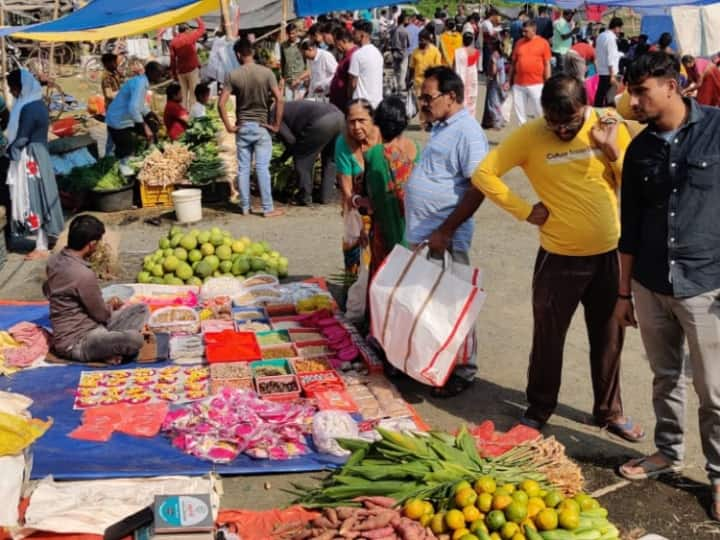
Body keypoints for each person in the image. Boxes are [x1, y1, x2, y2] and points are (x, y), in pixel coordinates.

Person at [471, 73, 643, 440]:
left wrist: (612, 151)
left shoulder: (607, 123)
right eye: (554, 121)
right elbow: (484, 174)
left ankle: (609, 411)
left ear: (585, 106)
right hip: (558, 258)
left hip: (609, 255)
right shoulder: (531, 135)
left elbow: (634, 181)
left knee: (610, 335)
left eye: (571, 121)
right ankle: (538, 409)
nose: (563, 129)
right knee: (548, 338)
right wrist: (522, 209)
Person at [614, 52, 720, 519]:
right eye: (631, 92)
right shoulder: (639, 149)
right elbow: (629, 228)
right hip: (651, 283)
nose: (633, 101)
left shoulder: (717, 131)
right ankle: (668, 451)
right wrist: (623, 294)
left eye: (642, 91)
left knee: (714, 390)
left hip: (704, 284)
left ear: (672, 86)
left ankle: (719, 475)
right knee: (665, 377)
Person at [405, 66, 488, 398]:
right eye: (422, 97)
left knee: (454, 301)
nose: (423, 103)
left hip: (446, 236)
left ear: (451, 97)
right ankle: (433, 363)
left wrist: (446, 229)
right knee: (429, 303)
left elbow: (480, 186)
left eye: (429, 97)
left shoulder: (467, 132)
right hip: (427, 235)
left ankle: (463, 370)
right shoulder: (442, 127)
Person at [44, 215, 149, 364]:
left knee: (141, 310)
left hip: (91, 325)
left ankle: (108, 348)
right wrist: (110, 306)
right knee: (135, 340)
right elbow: (101, 315)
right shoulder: (83, 274)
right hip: (77, 342)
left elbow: (47, 290)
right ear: (92, 244)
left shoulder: (54, 260)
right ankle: (105, 351)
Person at [219, 38, 284, 218]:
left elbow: (221, 103)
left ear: (238, 55)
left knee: (243, 168)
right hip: (262, 127)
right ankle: (267, 208)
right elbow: (280, 99)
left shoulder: (233, 75)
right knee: (262, 168)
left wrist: (230, 127)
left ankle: (245, 207)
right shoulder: (267, 73)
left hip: (243, 127)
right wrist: (276, 125)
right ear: (252, 53)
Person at [5, 70, 64, 260]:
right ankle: (46, 238)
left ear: (20, 87)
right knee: (44, 195)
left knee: (33, 198)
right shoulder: (38, 103)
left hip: (31, 158)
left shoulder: (28, 108)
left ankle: (41, 245)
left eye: (13, 88)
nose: (12, 92)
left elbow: (22, 137)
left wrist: (10, 151)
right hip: (40, 154)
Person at [363, 96, 419, 278]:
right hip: (413, 227)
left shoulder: (373, 155)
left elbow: (368, 192)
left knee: (385, 275)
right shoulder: (417, 149)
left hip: (384, 227)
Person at [335, 99, 381, 278]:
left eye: (362, 120)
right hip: (356, 207)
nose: (356, 126)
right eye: (351, 121)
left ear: (373, 120)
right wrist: (361, 216)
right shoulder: (343, 142)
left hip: (385, 206)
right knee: (355, 255)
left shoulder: (383, 136)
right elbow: (346, 188)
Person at [274, 100, 344, 206]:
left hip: (322, 122)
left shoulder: (273, 114)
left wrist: (283, 158)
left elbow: (290, 140)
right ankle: (325, 197)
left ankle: (304, 197)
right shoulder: (287, 105)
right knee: (330, 160)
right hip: (340, 117)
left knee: (302, 161)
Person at [106, 61, 165, 161]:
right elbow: (133, 108)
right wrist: (145, 127)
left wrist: (151, 114)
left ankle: (151, 150)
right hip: (118, 120)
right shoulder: (140, 84)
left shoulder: (142, 81)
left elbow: (139, 105)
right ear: (151, 72)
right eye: (158, 75)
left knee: (152, 125)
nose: (160, 78)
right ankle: (123, 167)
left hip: (125, 116)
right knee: (127, 150)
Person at [510, 20, 551, 125]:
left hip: (537, 84)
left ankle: (542, 135)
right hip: (519, 84)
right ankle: (523, 138)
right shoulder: (519, 43)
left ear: (534, 30)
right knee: (520, 116)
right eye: (522, 31)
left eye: (526, 31)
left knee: (540, 112)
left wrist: (548, 82)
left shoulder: (543, 43)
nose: (523, 34)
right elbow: (513, 63)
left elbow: (547, 64)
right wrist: (508, 80)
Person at [170, 18, 206, 110]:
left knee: (183, 96)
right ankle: (192, 115)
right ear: (186, 30)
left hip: (181, 71)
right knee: (193, 94)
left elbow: (173, 60)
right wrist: (196, 17)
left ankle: (183, 114)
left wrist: (174, 74)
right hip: (192, 69)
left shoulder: (173, 42)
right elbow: (202, 28)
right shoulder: (190, 37)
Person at [349, 20, 384, 109]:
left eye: (354, 32)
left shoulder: (357, 55)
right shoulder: (377, 53)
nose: (352, 35)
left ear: (362, 35)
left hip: (361, 105)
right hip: (377, 102)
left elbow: (353, 83)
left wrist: (348, 98)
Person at [594, 17, 623, 107]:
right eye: (620, 28)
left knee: (600, 94)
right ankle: (608, 114)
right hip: (609, 71)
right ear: (616, 27)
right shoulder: (611, 38)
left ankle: (597, 110)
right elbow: (610, 58)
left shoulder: (601, 35)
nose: (620, 31)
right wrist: (612, 75)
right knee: (610, 97)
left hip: (602, 69)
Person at [329, 27, 357, 113]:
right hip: (338, 103)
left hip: (345, 104)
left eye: (337, 43)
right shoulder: (346, 55)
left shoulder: (354, 56)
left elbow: (353, 82)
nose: (336, 46)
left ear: (343, 40)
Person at [409, 30, 443, 99]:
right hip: (418, 84)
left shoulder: (435, 51)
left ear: (428, 40)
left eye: (422, 40)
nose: (420, 42)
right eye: (419, 40)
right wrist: (410, 80)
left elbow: (438, 69)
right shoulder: (415, 52)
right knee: (418, 105)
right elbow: (411, 67)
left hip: (430, 84)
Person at [454, 31, 481, 116]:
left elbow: (454, 65)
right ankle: (470, 116)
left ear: (463, 40)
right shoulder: (476, 52)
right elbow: (476, 66)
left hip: (461, 75)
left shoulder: (458, 52)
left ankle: (460, 115)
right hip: (472, 76)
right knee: (471, 97)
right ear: (472, 40)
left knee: (461, 96)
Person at [481, 40, 507, 129]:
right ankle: (496, 120)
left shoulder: (494, 55)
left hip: (495, 80)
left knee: (492, 101)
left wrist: (490, 77)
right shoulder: (500, 54)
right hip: (501, 79)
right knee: (498, 100)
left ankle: (496, 121)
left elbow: (493, 70)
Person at [282, 23, 307, 101]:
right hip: (288, 81)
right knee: (289, 105)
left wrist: (304, 78)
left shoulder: (302, 44)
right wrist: (282, 78)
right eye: (289, 33)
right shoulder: (283, 46)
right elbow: (283, 62)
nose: (291, 35)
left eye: (293, 33)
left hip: (300, 81)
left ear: (297, 32)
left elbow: (307, 62)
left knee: (299, 105)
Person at [390, 14, 410, 93]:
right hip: (403, 53)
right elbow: (408, 43)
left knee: (395, 70)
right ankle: (400, 86)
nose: (407, 21)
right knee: (403, 71)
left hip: (394, 52)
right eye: (407, 20)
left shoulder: (393, 29)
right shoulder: (404, 31)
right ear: (403, 20)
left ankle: (394, 84)